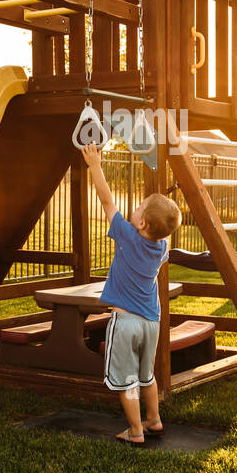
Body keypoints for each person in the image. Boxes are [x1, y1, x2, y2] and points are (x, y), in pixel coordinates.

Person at [79, 142, 181, 445]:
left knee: (127, 381)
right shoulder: (162, 246)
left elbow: (106, 201)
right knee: (146, 375)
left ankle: (136, 430)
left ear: (142, 223)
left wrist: (95, 164)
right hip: (151, 321)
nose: (132, 209)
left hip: (125, 323)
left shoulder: (126, 235)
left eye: (137, 208)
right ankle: (154, 419)